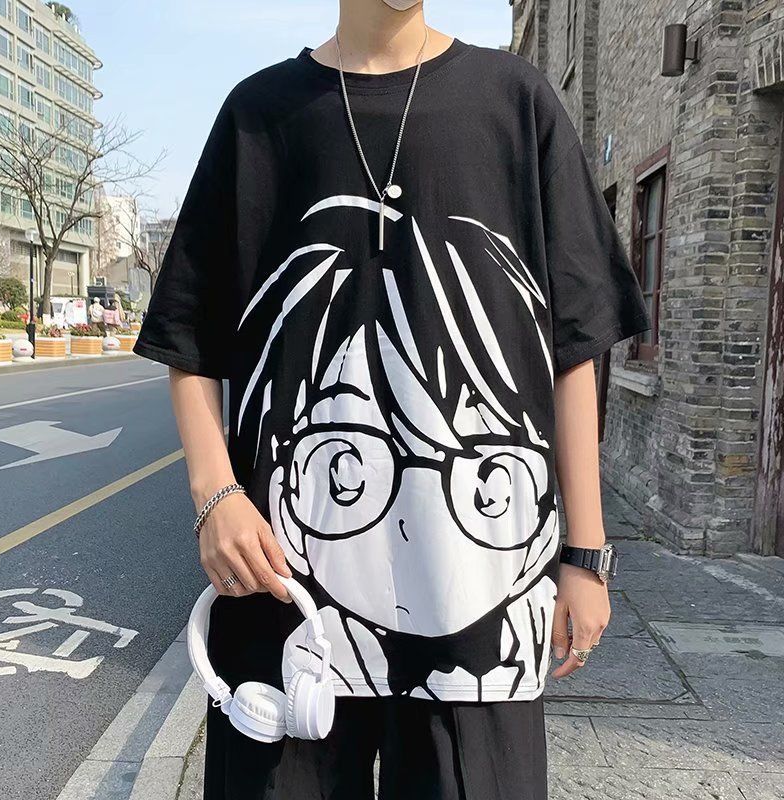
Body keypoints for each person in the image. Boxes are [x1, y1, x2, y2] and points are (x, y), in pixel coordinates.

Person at [134, 1, 650, 798]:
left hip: (481, 603)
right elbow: (189, 334)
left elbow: (573, 346)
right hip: (285, 598)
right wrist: (216, 496)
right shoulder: (259, 116)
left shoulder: (515, 102)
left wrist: (586, 555)